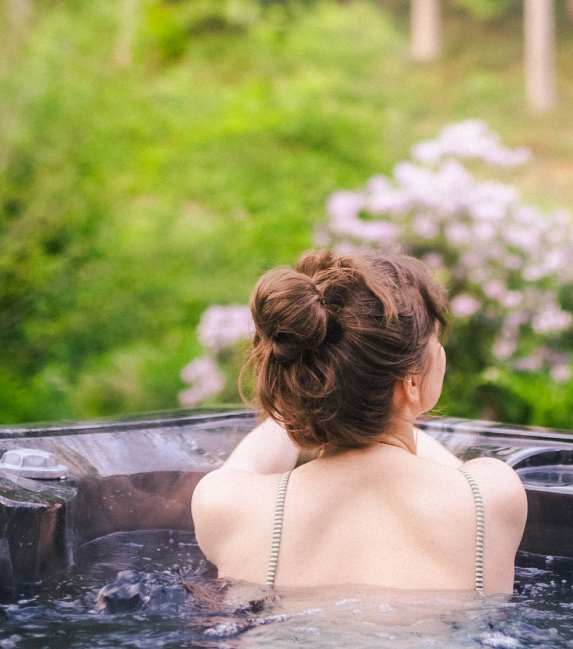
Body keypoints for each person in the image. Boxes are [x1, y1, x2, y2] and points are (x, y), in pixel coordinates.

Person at [191, 249, 527, 596]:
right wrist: (396, 411)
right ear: (411, 381)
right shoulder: (490, 497)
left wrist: (306, 398)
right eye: (435, 343)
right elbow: (451, 471)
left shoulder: (225, 505)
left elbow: (247, 464)